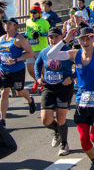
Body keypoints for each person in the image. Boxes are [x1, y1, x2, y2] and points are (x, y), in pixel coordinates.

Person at [47, 27, 94, 170]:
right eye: (82, 39)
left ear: (91, 39)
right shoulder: (75, 54)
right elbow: (51, 54)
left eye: (88, 38)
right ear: (78, 40)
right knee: (84, 139)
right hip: (82, 100)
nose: (85, 42)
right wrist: (66, 39)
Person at [34, 27, 74, 156]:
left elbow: (81, 65)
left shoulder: (69, 51)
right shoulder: (44, 52)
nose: (53, 40)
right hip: (49, 87)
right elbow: (37, 64)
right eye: (51, 37)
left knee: (61, 118)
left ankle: (64, 144)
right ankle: (58, 132)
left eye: (56, 37)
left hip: (64, 87)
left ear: (61, 38)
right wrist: (38, 78)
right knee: (45, 120)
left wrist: (72, 77)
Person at [0, 18, 36, 126]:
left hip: (17, 70)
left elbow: (30, 53)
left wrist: (16, 60)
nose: (6, 25)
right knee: (4, 92)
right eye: (5, 23)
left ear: (15, 26)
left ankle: (29, 100)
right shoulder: (1, 39)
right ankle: (2, 120)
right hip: (4, 69)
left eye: (9, 23)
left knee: (19, 92)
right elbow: (3, 52)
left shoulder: (19, 39)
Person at [26, 6, 51, 92]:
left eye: (34, 13)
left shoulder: (44, 22)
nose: (32, 14)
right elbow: (27, 32)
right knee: (29, 67)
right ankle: (36, 80)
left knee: (43, 68)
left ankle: (44, 83)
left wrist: (40, 34)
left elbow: (49, 33)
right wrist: (25, 36)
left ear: (39, 13)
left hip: (42, 48)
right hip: (31, 48)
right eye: (31, 12)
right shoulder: (28, 21)